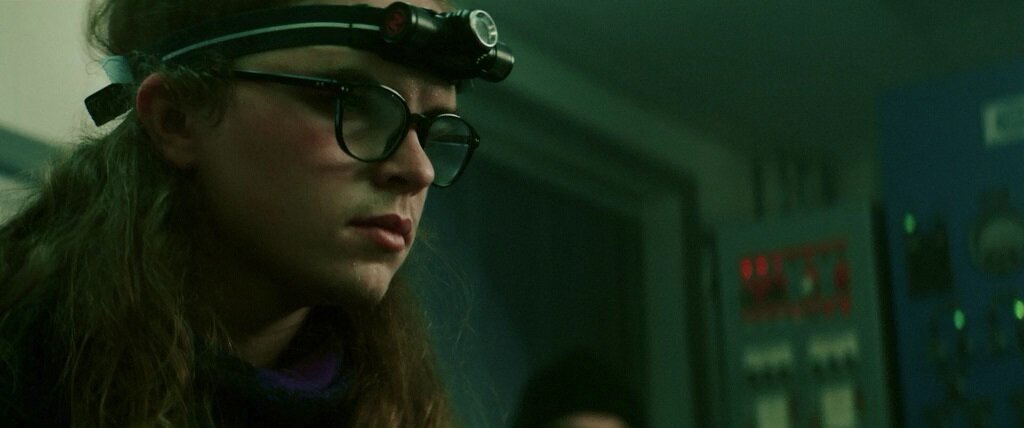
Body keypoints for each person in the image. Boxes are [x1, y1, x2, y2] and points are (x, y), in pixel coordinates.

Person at [0, 0, 512, 426]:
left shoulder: (396, 406)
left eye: (434, 129)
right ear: (177, 118)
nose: (419, 169)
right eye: (353, 101)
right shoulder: (22, 367)